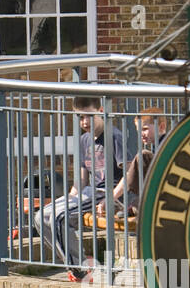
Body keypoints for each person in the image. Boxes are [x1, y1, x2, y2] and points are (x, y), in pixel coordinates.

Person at [34, 98, 123, 274]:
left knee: (58, 218)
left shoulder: (114, 136)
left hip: (106, 191)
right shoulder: (84, 140)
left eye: (88, 116)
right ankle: (79, 265)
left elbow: (129, 173)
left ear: (100, 110)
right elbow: (81, 180)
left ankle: (82, 268)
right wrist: (68, 198)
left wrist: (111, 198)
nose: (84, 122)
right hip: (89, 191)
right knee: (40, 216)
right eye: (80, 117)